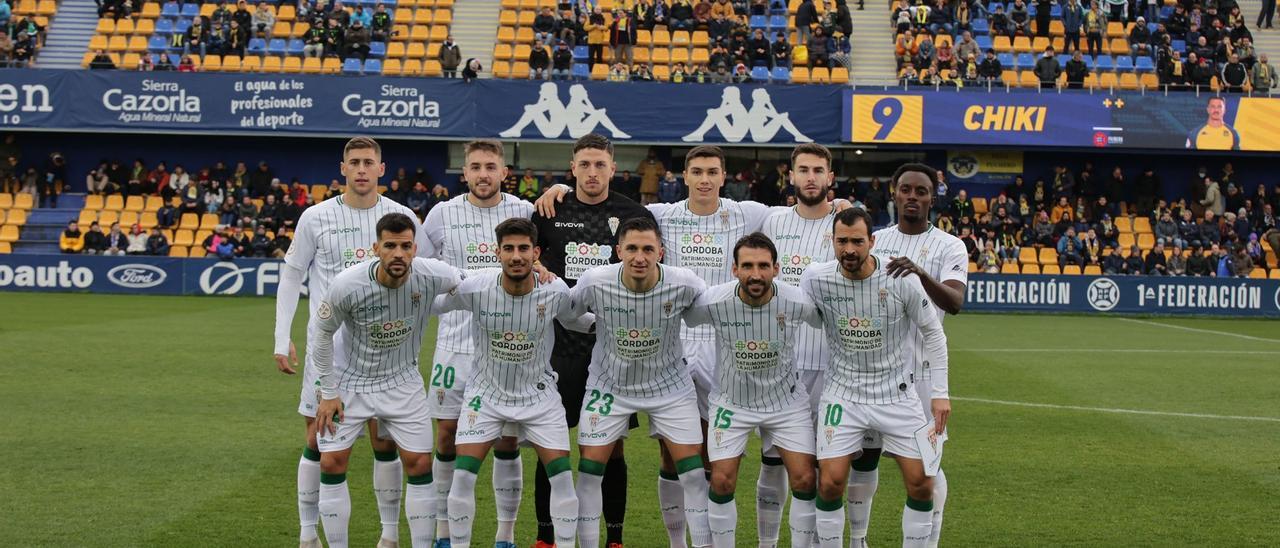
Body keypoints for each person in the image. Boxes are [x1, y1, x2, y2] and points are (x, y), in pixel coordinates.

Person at [272, 137, 429, 548]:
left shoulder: (402, 216)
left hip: (386, 351)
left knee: (385, 441)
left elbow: (422, 273)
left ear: (382, 169)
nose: (361, 169)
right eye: (354, 162)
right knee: (318, 441)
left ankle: (390, 536)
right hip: (330, 350)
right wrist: (281, 336)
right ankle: (309, 535)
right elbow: (292, 275)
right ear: (342, 168)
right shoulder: (316, 216)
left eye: (369, 162)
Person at [431, 218, 594, 548]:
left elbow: (576, 320)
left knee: (562, 477)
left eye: (523, 249)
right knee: (462, 475)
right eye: (509, 249)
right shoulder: (476, 287)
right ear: (498, 252)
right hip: (485, 395)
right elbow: (436, 304)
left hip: (539, 397)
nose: (516, 256)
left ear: (536, 253)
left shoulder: (555, 289)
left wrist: (617, 322)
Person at [528, 134, 655, 548]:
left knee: (612, 448)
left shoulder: (632, 213)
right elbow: (525, 251)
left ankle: (613, 537)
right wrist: (540, 268)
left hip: (611, 351)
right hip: (558, 348)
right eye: (584, 164)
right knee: (552, 445)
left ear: (613, 168)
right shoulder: (552, 208)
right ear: (573, 167)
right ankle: (546, 536)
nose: (592, 172)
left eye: (600, 164)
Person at [311, 212, 463, 548]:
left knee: (420, 462)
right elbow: (321, 335)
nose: (398, 253)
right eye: (390, 246)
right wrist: (328, 391)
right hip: (351, 383)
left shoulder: (431, 273)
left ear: (415, 248)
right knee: (332, 461)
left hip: (402, 382)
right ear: (375, 248)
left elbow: (474, 281)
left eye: (405, 246)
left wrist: (533, 273)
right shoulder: (347, 284)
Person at [801, 207, 950, 548]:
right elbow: (805, 317)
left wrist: (940, 393)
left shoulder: (901, 279)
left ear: (872, 241)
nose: (848, 250)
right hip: (842, 395)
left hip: (897, 395)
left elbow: (934, 335)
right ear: (832, 241)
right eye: (842, 241)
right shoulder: (817, 278)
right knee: (830, 483)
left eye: (856, 241)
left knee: (922, 482)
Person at [419, 140, 537, 548]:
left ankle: (505, 534)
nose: (483, 174)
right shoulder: (441, 215)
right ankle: (443, 531)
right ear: (464, 173)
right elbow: (419, 268)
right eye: (475, 167)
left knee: (506, 438)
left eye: (491, 166)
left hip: (510, 345)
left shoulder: (526, 211)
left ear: (504, 171)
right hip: (454, 343)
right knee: (447, 436)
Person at [569, 217, 712, 548]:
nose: (639, 257)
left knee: (692, 473)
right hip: (609, 387)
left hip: (670, 389)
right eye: (631, 248)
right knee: (590, 472)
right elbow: (567, 311)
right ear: (618, 250)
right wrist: (594, 326)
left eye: (648, 249)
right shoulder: (595, 281)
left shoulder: (685, 282)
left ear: (661, 252)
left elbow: (707, 310)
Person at [682, 232, 822, 547]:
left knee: (805, 478)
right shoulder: (714, 300)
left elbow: (830, 321)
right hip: (732, 402)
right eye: (747, 266)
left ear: (776, 268)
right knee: (721, 480)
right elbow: (683, 316)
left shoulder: (797, 300)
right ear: (735, 269)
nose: (755, 274)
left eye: (763, 266)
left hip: (786, 403)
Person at [860, 163, 966, 548]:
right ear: (893, 192)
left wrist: (920, 273)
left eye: (921, 191)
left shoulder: (950, 246)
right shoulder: (875, 240)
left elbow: (954, 302)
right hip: (873, 371)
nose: (912, 197)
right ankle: (858, 539)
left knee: (926, 466)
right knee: (863, 459)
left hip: (921, 373)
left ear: (932, 198)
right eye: (906, 189)